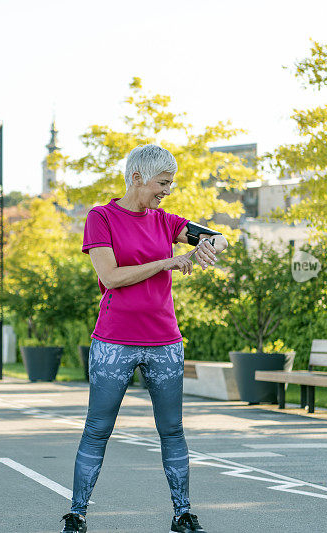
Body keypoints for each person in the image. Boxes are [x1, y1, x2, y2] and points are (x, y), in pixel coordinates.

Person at [60, 144, 228, 533]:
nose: (167, 191)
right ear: (137, 178)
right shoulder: (101, 217)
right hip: (114, 342)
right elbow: (112, 277)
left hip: (165, 343)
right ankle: (77, 513)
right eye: (162, 183)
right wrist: (169, 261)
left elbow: (219, 238)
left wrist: (208, 243)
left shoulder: (165, 221)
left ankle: (183, 513)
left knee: (172, 430)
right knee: (97, 428)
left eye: (170, 184)